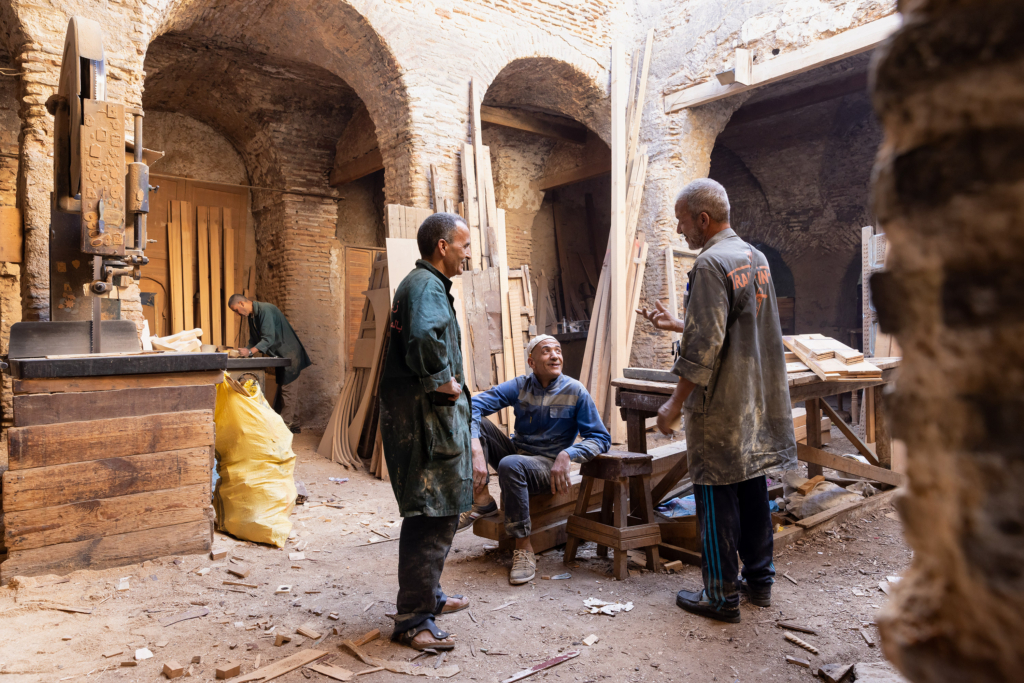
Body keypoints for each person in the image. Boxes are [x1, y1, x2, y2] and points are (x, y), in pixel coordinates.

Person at [638, 178, 796, 624]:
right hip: (754, 401)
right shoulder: (754, 256)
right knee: (751, 488)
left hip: (720, 407)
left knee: (714, 496)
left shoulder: (709, 264)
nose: (681, 229)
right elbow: (733, 325)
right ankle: (759, 583)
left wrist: (672, 404)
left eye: (682, 221)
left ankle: (721, 596)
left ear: (702, 219)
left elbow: (704, 347)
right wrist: (678, 324)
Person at [378, 212, 475, 652]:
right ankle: (413, 619)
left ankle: (429, 597)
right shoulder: (425, 287)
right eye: (464, 245)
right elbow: (423, 340)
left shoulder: (424, 286)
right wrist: (443, 380)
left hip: (427, 419)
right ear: (442, 246)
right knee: (430, 515)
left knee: (442, 511)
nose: (467, 254)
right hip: (425, 422)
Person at [459, 335, 610, 585]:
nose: (555, 355)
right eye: (546, 351)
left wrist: (568, 454)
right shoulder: (520, 385)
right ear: (532, 361)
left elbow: (600, 437)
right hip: (519, 455)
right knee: (478, 426)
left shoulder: (575, 391)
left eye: (558, 351)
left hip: (546, 466)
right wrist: (476, 448)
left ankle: (524, 548)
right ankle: (482, 500)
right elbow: (472, 406)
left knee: (510, 463)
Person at [227, 294, 312, 433]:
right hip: (280, 355)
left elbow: (268, 339)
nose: (237, 314)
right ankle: (295, 424)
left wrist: (250, 352)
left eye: (236, 310)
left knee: (288, 390)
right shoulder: (252, 316)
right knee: (285, 388)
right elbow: (254, 340)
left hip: (290, 353)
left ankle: (283, 429)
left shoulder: (265, 309)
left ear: (242, 303)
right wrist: (245, 350)